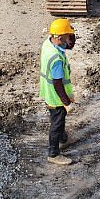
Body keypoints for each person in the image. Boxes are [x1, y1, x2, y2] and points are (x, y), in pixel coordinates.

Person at [40, 18, 77, 165]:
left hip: (50, 92)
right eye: (69, 36)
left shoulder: (48, 43)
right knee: (57, 121)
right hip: (56, 97)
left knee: (58, 119)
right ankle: (53, 154)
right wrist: (66, 102)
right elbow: (57, 83)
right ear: (60, 38)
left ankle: (62, 137)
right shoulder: (56, 59)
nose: (71, 39)